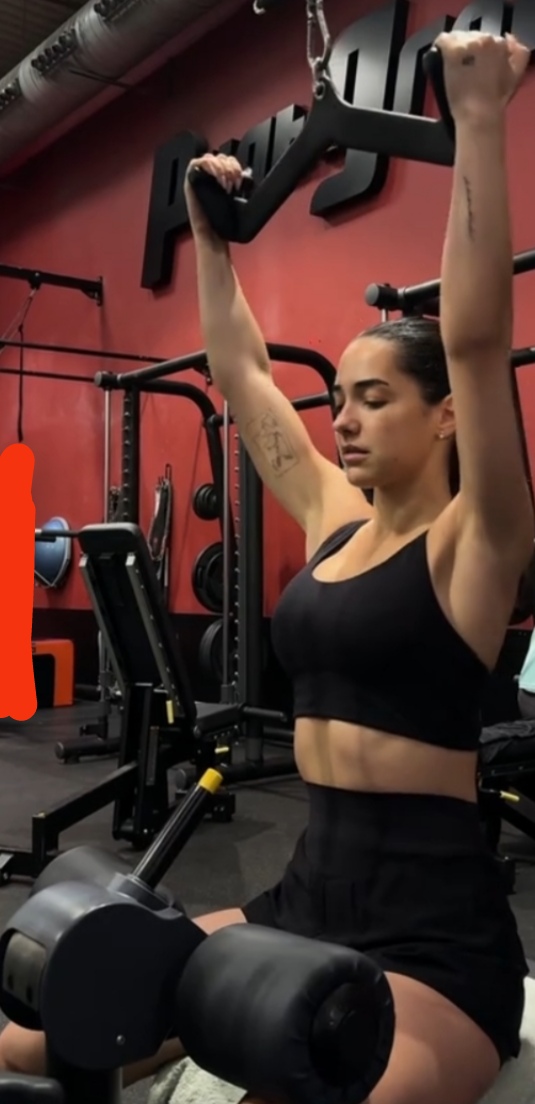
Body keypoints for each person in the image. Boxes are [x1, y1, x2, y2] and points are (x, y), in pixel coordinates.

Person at [0, 28, 533, 1104]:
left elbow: (477, 344)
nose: (343, 419)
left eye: (373, 399)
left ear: (444, 418)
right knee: (34, 1041)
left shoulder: (476, 542)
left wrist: (478, 121)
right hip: (300, 898)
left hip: (430, 935)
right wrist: (211, 241)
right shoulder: (335, 518)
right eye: (337, 400)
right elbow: (242, 377)